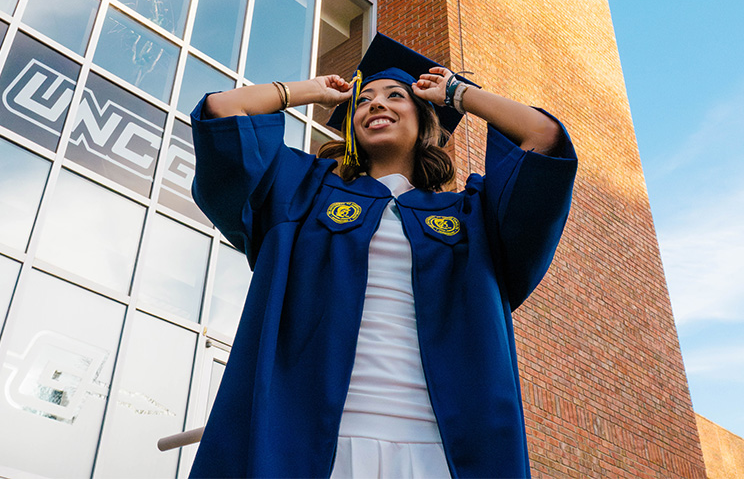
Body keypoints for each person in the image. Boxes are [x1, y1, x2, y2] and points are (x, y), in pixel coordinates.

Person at [188, 34, 577, 478]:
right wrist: (314, 91)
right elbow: (222, 110)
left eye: (397, 96)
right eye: (364, 99)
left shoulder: (473, 216)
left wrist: (457, 93)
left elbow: (543, 138)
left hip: (441, 448)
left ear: (426, 120)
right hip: (311, 444)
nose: (376, 104)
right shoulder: (301, 193)